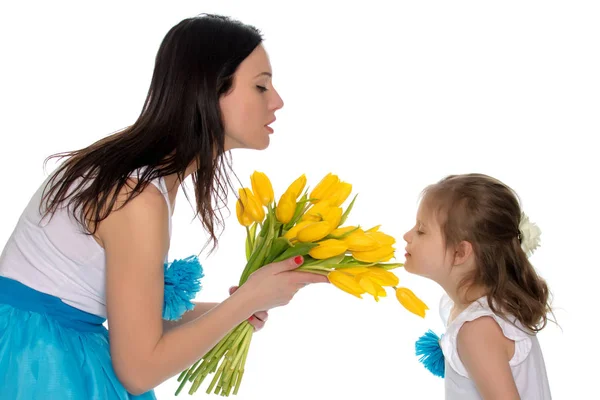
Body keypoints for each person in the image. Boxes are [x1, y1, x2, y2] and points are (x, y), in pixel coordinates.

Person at [0, 13, 327, 399]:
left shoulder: (139, 174)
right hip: (39, 364)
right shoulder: (135, 196)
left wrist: (235, 307)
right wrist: (248, 299)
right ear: (210, 90)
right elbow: (139, 371)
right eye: (260, 87)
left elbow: (134, 317)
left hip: (32, 346)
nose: (277, 101)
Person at [404, 173, 552, 399]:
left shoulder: (477, 329)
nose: (407, 236)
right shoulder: (471, 308)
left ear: (460, 252)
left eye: (421, 230)